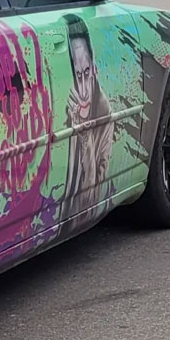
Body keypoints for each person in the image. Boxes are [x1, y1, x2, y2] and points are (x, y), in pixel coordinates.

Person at [61, 14, 114, 230]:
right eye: (76, 76)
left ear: (94, 69)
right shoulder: (64, 106)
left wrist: (84, 132)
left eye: (86, 74)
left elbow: (90, 197)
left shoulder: (103, 110)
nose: (83, 90)